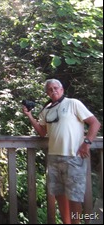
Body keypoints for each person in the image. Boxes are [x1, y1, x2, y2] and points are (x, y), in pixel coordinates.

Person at [22, 78, 101, 224]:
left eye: (56, 88)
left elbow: (95, 123)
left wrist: (86, 143)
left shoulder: (73, 103)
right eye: (50, 89)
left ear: (62, 89)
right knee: (59, 194)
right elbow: (42, 132)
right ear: (47, 93)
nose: (53, 91)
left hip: (73, 157)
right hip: (53, 157)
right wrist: (30, 116)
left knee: (74, 198)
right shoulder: (46, 110)